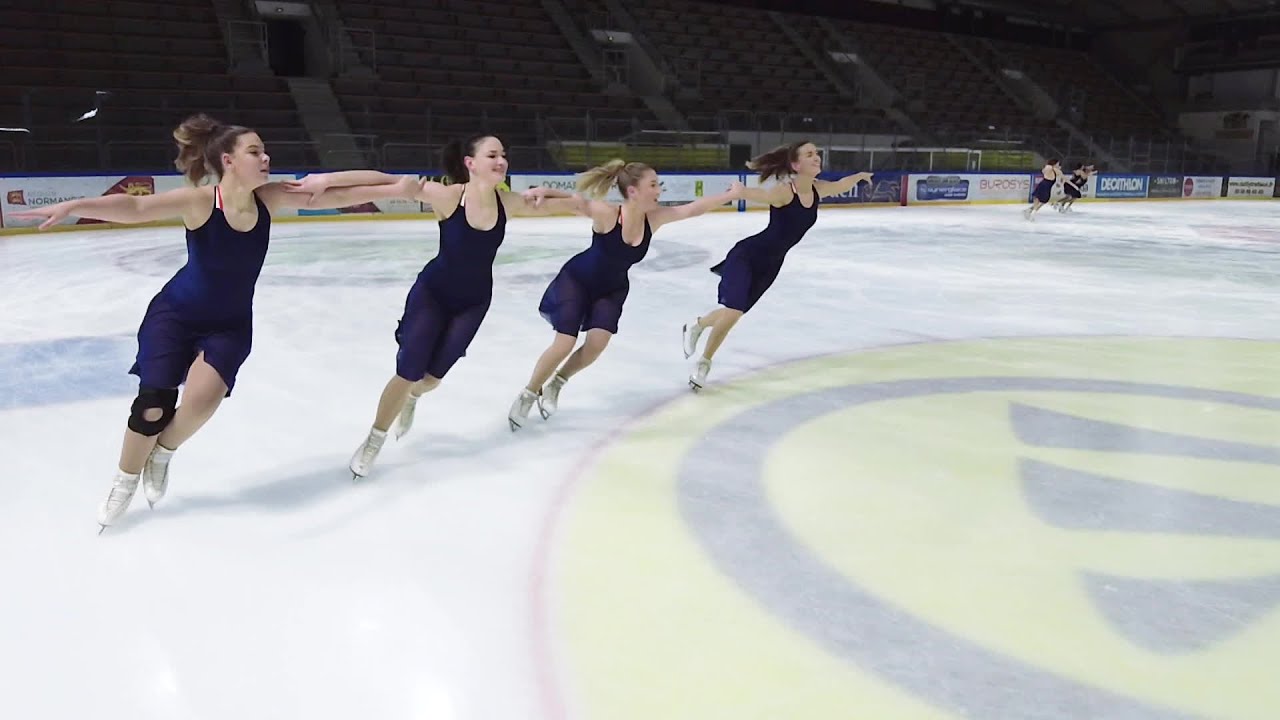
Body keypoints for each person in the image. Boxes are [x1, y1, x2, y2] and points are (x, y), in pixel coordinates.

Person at [10, 113, 421, 531]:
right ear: (228, 160)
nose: (266, 157)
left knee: (203, 402)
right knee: (153, 407)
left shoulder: (271, 199)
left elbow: (332, 190)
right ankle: (125, 481)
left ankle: (163, 452)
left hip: (229, 323)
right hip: (176, 316)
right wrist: (76, 205)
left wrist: (394, 185)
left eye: (264, 150)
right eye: (255, 151)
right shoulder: (201, 201)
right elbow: (136, 206)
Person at [344, 134, 580, 479]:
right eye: (492, 155)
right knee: (408, 370)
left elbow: (572, 204)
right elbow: (380, 182)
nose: (501, 160)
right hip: (433, 294)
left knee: (431, 379)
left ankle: (412, 398)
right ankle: (373, 440)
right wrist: (323, 181)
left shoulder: (508, 203)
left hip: (473, 302)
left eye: (504, 154)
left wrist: (553, 193)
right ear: (470, 163)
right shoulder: (447, 197)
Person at [507, 160, 743, 429]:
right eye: (653, 185)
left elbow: (691, 209)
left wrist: (731, 195)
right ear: (633, 191)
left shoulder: (653, 219)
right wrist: (545, 191)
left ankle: (557, 383)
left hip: (613, 288)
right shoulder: (608, 214)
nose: (659, 191)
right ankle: (528, 393)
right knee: (564, 342)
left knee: (597, 344)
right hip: (578, 281)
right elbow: (576, 202)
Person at [679, 140, 871, 390]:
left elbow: (839, 186)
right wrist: (740, 191)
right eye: (810, 154)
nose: (817, 158)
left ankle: (698, 324)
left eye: (817, 154)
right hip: (747, 256)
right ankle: (703, 364)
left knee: (732, 313)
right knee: (734, 311)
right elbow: (762, 195)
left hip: (771, 265)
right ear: (795, 164)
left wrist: (858, 176)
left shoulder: (816, 190)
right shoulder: (785, 191)